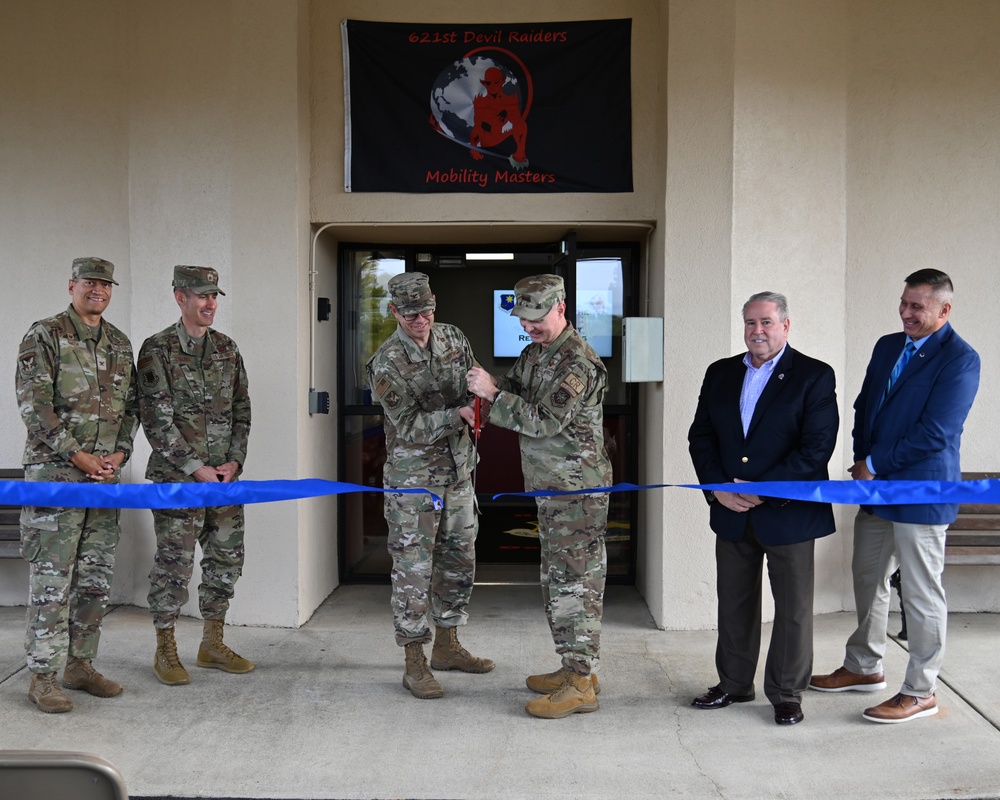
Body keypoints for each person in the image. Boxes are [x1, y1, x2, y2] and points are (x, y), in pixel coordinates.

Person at [811, 269, 980, 723]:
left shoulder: (961, 360)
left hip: (922, 491)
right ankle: (864, 666)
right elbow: (865, 404)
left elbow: (936, 432)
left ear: (944, 310)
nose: (906, 312)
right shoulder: (888, 345)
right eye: (904, 303)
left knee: (921, 594)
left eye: (917, 306)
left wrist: (876, 464)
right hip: (878, 489)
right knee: (868, 578)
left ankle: (921, 690)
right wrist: (862, 456)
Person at [688, 291, 839, 726]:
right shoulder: (720, 373)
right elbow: (701, 437)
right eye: (751, 323)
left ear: (786, 326)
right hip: (731, 511)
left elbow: (816, 449)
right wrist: (716, 490)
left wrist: (762, 491)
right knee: (734, 602)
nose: (758, 331)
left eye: (767, 323)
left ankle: (787, 693)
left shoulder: (813, 375)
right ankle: (734, 683)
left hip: (788, 512)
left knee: (792, 609)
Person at [465, 274, 612, 719]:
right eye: (523, 319)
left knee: (577, 584)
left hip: (577, 492)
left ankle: (581, 682)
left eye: (537, 317)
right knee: (556, 581)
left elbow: (545, 421)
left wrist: (493, 395)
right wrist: (487, 391)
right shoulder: (536, 354)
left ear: (561, 308)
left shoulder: (578, 363)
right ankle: (573, 668)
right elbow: (516, 393)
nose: (529, 326)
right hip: (551, 489)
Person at [15, 256, 139, 713]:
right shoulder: (44, 335)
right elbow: (35, 406)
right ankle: (43, 676)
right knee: (52, 581)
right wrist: (79, 455)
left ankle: (80, 666)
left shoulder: (121, 345)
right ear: (72, 286)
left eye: (105, 284)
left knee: (93, 579)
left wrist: (120, 454)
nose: (98, 290)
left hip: (104, 482)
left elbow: (132, 409)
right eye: (89, 282)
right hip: (56, 481)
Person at [366, 272, 494, 700]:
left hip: (458, 474)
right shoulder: (385, 362)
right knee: (413, 573)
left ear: (434, 303)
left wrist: (480, 400)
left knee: (459, 564)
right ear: (393, 312)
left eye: (425, 310)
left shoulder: (453, 338)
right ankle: (414, 661)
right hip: (414, 483)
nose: (420, 319)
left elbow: (473, 383)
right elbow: (408, 426)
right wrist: (456, 415)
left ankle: (448, 646)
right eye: (409, 313)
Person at [138, 265, 253, 686]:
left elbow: (242, 410)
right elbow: (156, 420)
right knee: (175, 565)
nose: (210, 304)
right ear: (179, 297)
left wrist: (234, 462)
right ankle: (165, 649)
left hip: (223, 481)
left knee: (226, 561)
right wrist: (195, 467)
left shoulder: (227, 348)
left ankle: (212, 643)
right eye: (201, 296)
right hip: (178, 482)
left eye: (214, 296)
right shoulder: (158, 349)